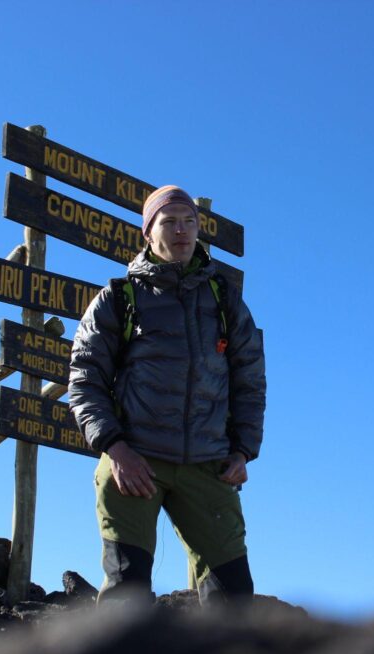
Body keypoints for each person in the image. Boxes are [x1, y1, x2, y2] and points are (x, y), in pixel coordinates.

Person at [68, 185, 266, 605]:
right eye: (169, 221)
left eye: (189, 221)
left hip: (208, 465)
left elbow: (250, 380)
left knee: (234, 599)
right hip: (134, 462)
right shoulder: (118, 299)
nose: (181, 230)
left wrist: (243, 450)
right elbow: (85, 379)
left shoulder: (224, 300)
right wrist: (116, 449)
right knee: (127, 592)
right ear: (148, 232)